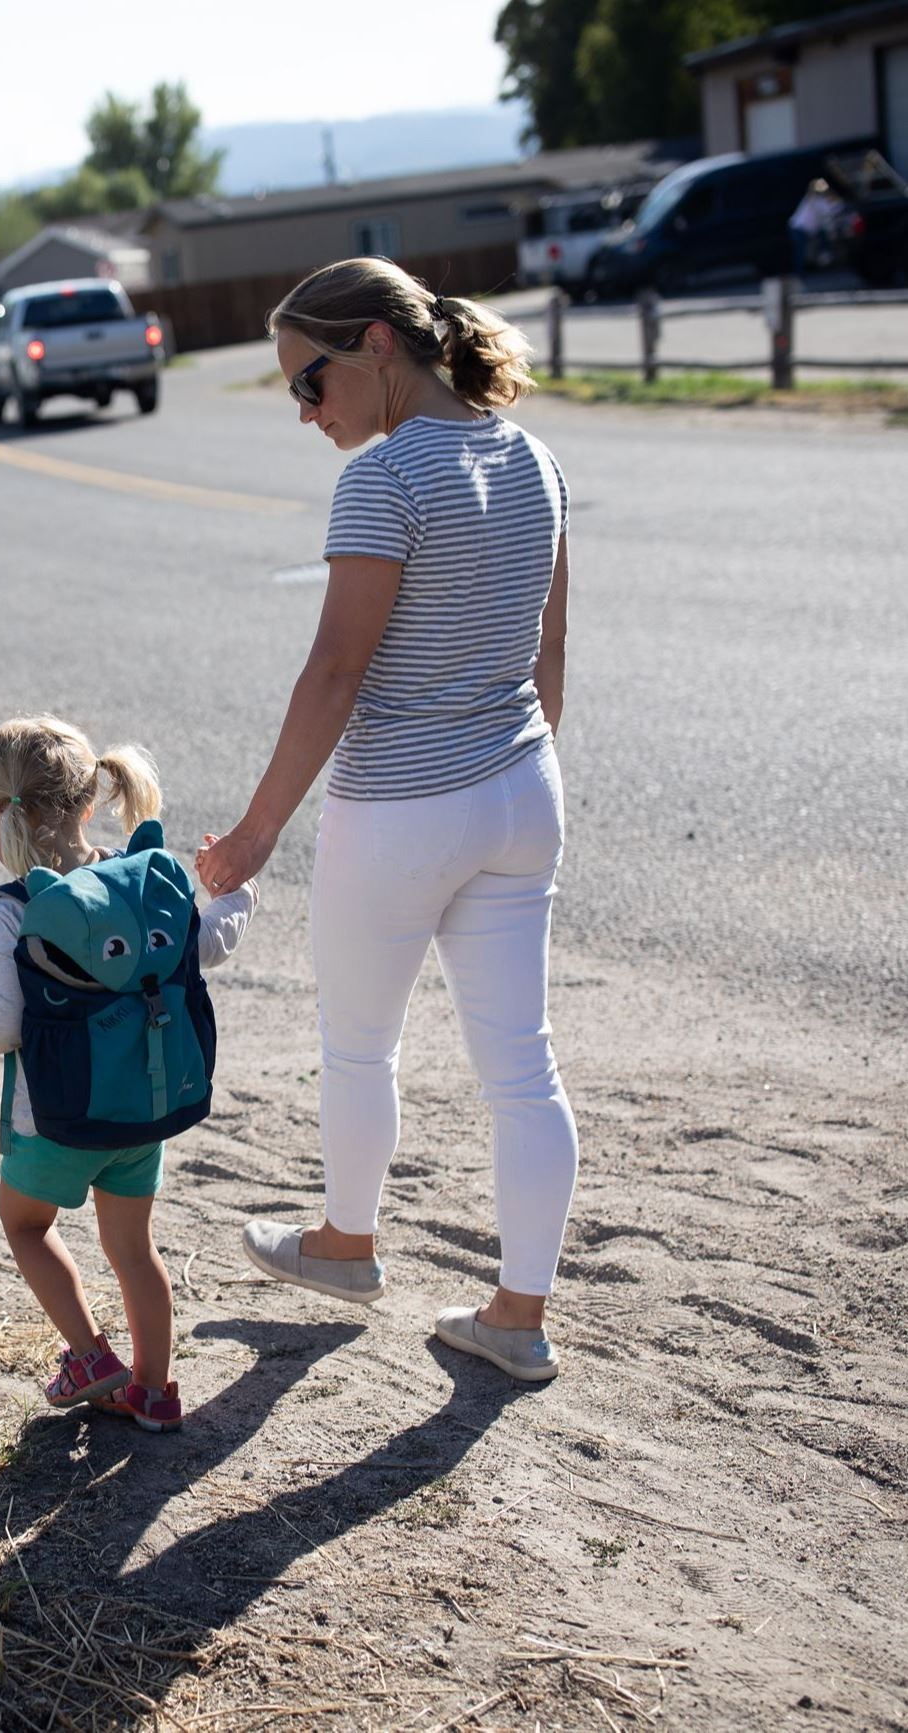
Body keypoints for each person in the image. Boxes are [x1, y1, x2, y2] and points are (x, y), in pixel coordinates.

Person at [196, 259, 578, 1382]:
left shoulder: (385, 478)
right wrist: (519, 762)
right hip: (521, 789)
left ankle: (347, 1244)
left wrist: (258, 832)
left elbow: (334, 673)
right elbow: (548, 650)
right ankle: (517, 1314)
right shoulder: (535, 456)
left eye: (308, 384)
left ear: (373, 344)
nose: (307, 414)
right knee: (523, 1066)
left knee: (358, 1042)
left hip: (403, 809)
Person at [0, 715, 257, 1430]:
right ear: (88, 802)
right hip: (140, 1106)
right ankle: (154, 1392)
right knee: (133, 1249)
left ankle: (91, 1354)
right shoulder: (139, 878)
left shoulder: (18, 906)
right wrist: (237, 896)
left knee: (26, 1223)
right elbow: (206, 943)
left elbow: (2, 1024)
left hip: (55, 1118)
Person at [788, 178, 844, 277]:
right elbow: (832, 210)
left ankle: (808, 267)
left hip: (805, 229)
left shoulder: (815, 200)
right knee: (800, 251)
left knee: (807, 248)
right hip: (799, 228)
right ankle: (800, 273)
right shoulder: (813, 200)